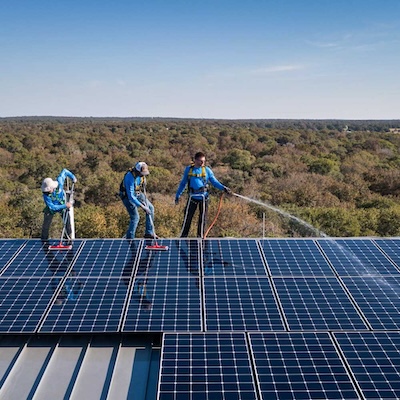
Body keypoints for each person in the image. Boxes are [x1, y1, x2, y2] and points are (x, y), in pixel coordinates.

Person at [175, 152, 232, 238]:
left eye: (204, 161)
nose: (202, 163)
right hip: (192, 197)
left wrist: (224, 188)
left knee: (202, 219)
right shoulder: (189, 170)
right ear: (195, 160)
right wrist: (178, 195)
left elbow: (214, 182)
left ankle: (200, 237)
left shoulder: (207, 170)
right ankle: (183, 236)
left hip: (203, 198)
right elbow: (183, 183)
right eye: (200, 161)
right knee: (188, 217)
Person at [119, 161, 157, 239]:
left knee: (150, 208)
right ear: (138, 171)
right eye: (142, 173)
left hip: (138, 194)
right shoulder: (129, 177)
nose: (143, 175)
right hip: (127, 196)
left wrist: (143, 202)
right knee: (135, 217)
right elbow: (131, 196)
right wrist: (142, 206)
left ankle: (149, 233)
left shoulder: (141, 175)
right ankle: (130, 237)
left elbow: (139, 187)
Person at [41, 168, 77, 242]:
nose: (47, 191)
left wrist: (73, 177)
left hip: (61, 204)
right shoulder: (46, 195)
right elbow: (52, 207)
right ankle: (44, 241)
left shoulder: (59, 182)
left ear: (52, 187)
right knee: (45, 226)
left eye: (48, 190)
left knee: (67, 223)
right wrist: (65, 206)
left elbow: (65, 171)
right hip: (52, 208)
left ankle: (69, 239)